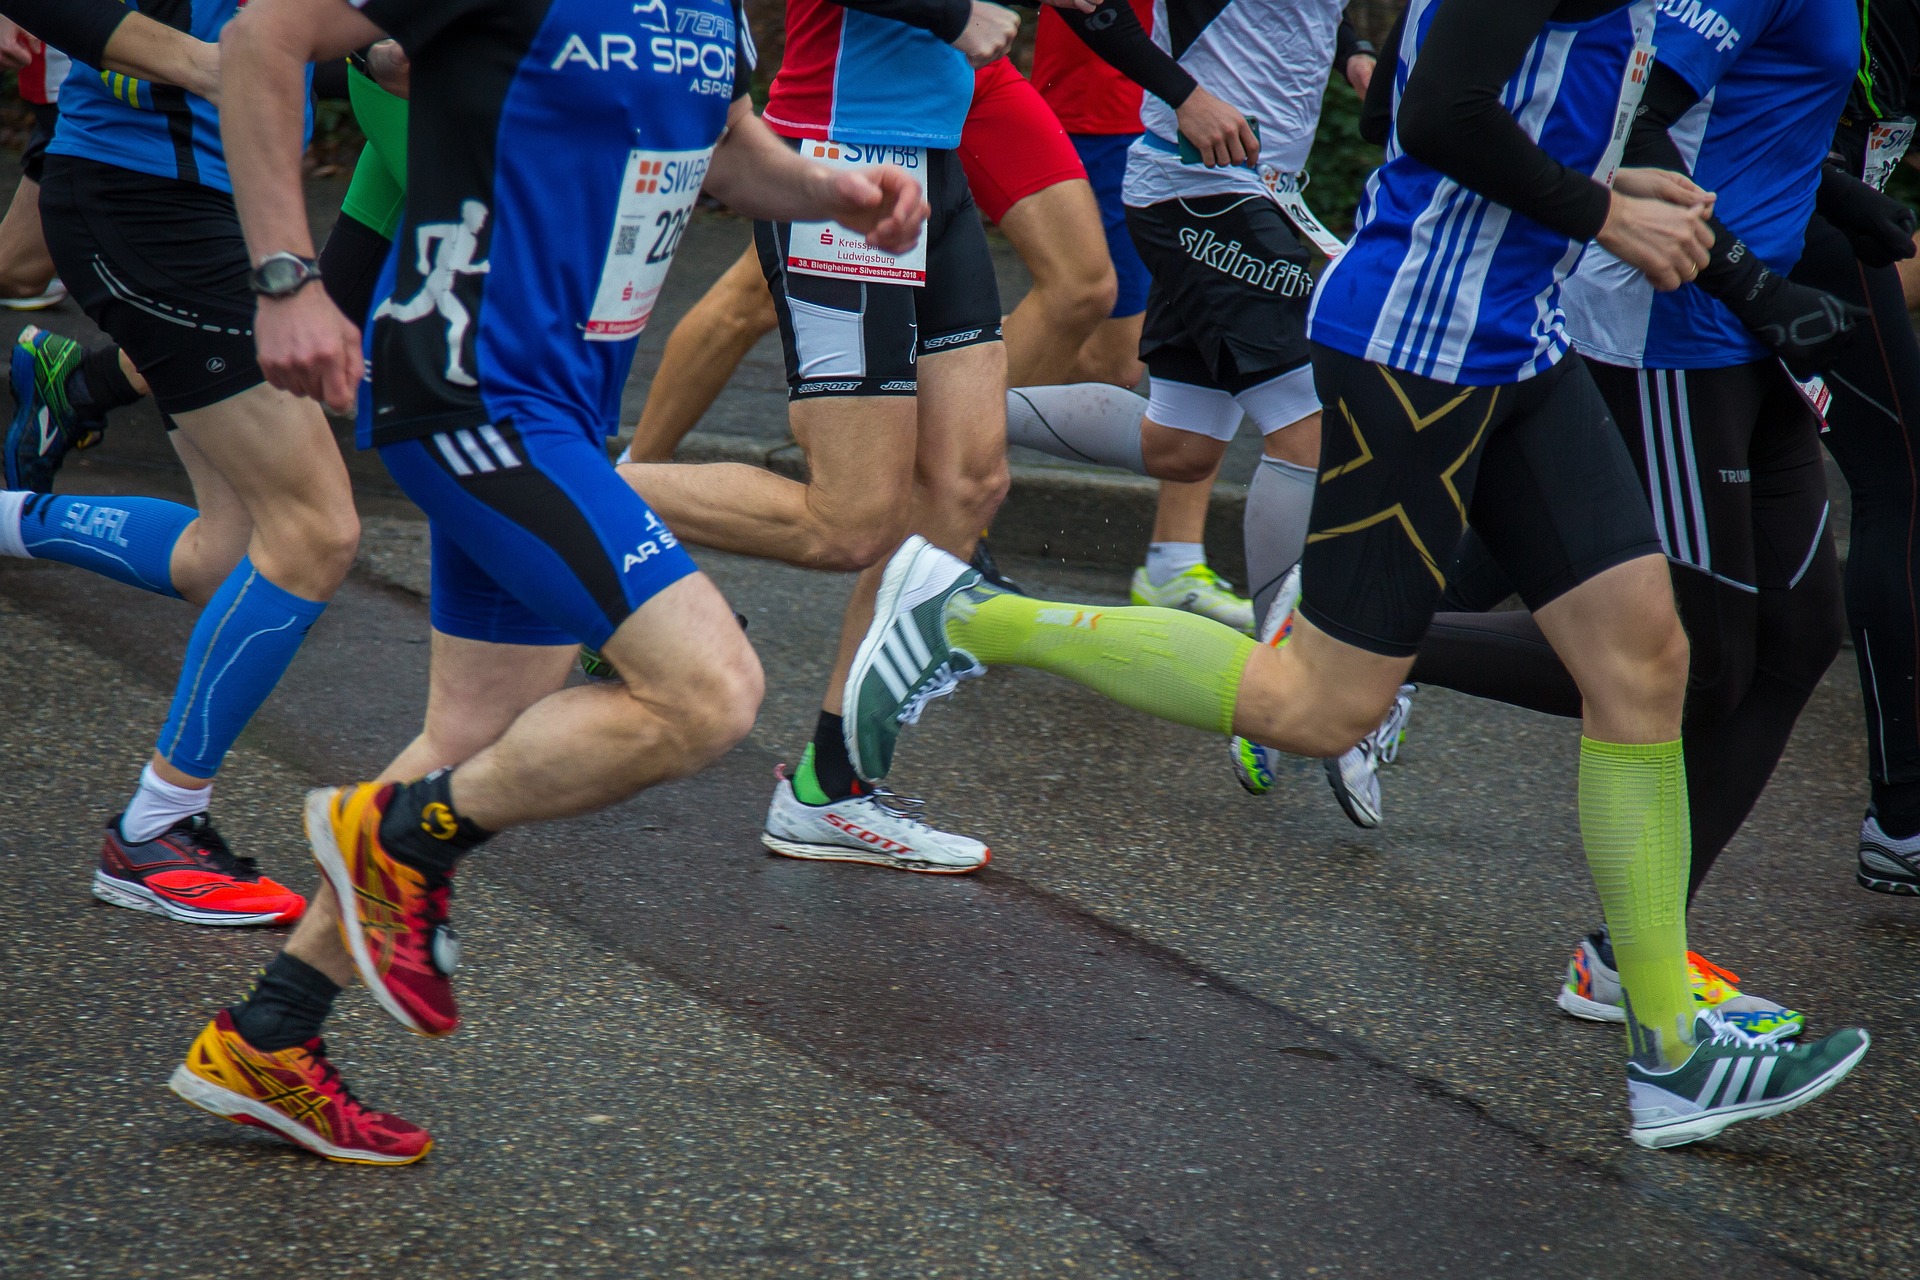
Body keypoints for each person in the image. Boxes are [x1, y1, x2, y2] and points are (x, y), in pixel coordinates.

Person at [841, 0, 1872, 1149]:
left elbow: (1510, 109)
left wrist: (1612, 195)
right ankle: (969, 615)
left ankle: (1670, 1049)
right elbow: (1436, 115)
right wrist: (1601, 213)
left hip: (1517, 335)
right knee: (1322, 706)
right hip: (1422, 347)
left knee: (1646, 660)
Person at [169, 0, 928, 1165]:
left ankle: (270, 1037)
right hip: (473, 389)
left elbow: (723, 147)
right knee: (708, 690)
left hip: (565, 407)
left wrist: (837, 191)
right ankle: (390, 834)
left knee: (484, 731)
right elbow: (265, 36)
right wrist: (286, 277)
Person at [1377, 0, 1867, 1039]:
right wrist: (1743, 280)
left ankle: (1628, 955)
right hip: (1677, 329)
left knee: (1801, 634)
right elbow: (1631, 115)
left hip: (1752, 333)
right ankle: (1376, 643)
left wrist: (1835, 208)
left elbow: (1754, 113)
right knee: (1697, 661)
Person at [610, 0, 1031, 875]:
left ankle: (831, 789)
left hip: (934, 154)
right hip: (839, 152)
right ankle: (550, 482)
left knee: (966, 484)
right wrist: (953, 15)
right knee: (848, 523)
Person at [0, 0, 360, 928]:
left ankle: (6, 514)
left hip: (213, 206)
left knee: (227, 559)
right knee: (315, 531)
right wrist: (214, 67)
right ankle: (155, 830)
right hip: (145, 205)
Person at [1786, 0, 1920, 896]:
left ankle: (1373, 641)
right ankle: (1903, 818)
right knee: (1903, 481)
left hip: (1818, 219)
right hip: (1793, 226)